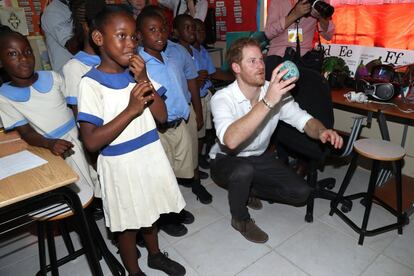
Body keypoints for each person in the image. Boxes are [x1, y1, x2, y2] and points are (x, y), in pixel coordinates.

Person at [77, 5, 186, 276]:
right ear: (99, 38)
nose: (131, 44)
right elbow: (90, 142)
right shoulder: (89, 84)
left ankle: (155, 255)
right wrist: (131, 110)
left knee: (151, 213)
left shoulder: (136, 75)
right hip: (120, 165)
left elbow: (161, 117)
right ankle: (134, 271)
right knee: (128, 224)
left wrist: (145, 79)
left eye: (134, 37)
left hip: (149, 155)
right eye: (121, 36)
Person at [209, 38, 343, 243]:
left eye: (261, 60)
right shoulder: (222, 98)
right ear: (236, 67)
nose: (261, 65)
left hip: (259, 156)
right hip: (226, 160)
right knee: (242, 171)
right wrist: (269, 101)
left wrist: (322, 131)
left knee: (301, 192)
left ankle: (247, 190)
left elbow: (304, 120)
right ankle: (240, 219)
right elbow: (231, 141)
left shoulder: (272, 90)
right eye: (252, 61)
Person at [0, 30, 96, 210]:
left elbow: (75, 107)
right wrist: (49, 143)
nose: (23, 58)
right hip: (53, 146)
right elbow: (27, 133)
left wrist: (85, 132)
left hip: (80, 136)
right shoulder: (4, 97)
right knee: (78, 189)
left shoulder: (53, 77)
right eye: (13, 54)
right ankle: (89, 218)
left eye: (27, 51)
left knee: (96, 176)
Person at [138, 6, 212, 204]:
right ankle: (170, 209)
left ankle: (196, 184)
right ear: (139, 34)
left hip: (182, 117)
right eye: (152, 30)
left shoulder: (175, 54)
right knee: (163, 170)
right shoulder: (137, 63)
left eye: (162, 28)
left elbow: (191, 81)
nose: (160, 34)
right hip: (157, 126)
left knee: (191, 159)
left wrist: (197, 111)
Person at [264, 0, 335, 79]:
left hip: (305, 59)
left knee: (313, 83)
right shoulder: (278, 1)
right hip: (278, 55)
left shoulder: (319, 1)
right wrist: (294, 15)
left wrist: (322, 18)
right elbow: (268, 33)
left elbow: (328, 36)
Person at [41, 0, 84, 73]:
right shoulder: (53, 11)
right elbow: (72, 47)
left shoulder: (75, 6)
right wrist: (84, 21)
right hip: (69, 75)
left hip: (89, 72)